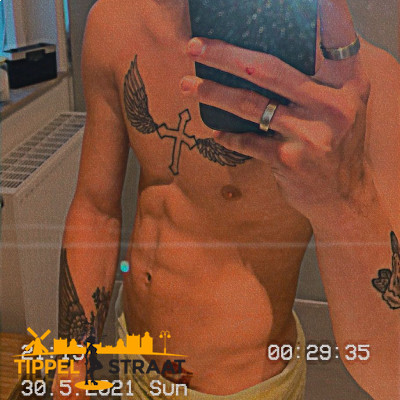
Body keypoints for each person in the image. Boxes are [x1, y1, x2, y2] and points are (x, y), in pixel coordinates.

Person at [52, 0, 400, 398]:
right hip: (133, 357)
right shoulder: (114, 24)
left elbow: (392, 377)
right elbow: (95, 210)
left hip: (248, 387)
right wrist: (72, 366)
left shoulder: (357, 90)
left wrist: (344, 197)